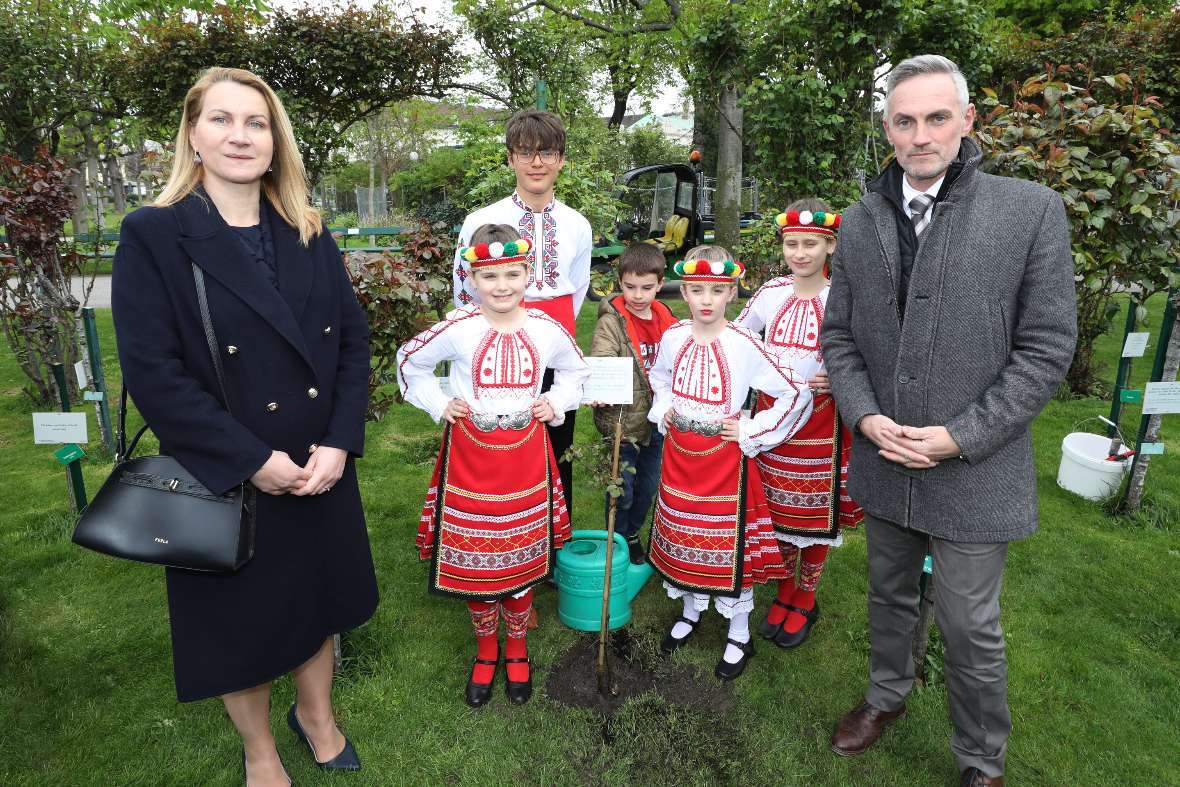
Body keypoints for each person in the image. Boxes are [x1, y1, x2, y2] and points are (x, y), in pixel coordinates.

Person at [111, 67, 378, 786]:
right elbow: (152, 373)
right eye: (222, 120)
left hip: (318, 464)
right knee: (242, 625)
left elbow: (352, 345)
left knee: (317, 604)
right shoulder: (155, 235)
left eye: (256, 122)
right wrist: (250, 456)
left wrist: (341, 439)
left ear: (274, 139)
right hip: (228, 471)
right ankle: (259, 749)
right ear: (193, 135)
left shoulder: (307, 230)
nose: (240, 135)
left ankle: (317, 717)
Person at [820, 55, 1076, 786]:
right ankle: (887, 694)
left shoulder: (1030, 211)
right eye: (905, 120)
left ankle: (980, 758)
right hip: (886, 455)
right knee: (889, 593)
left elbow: (1047, 345)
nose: (921, 135)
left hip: (975, 467)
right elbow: (840, 335)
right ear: (887, 129)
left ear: (967, 121)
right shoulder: (864, 220)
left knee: (969, 624)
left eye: (937, 118)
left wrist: (963, 434)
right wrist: (865, 417)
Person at [399, 223, 590, 708]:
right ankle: (487, 651)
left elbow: (576, 371)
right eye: (489, 276)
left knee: (521, 551)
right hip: (471, 457)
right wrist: (437, 403)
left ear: (528, 274)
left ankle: (519, 647)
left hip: (526, 456)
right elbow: (409, 362)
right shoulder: (459, 329)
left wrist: (556, 401)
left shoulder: (547, 330)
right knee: (479, 555)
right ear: (472, 279)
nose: (502, 285)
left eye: (512, 273)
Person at [646, 244, 814, 681]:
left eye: (716, 291)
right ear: (683, 290)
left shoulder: (744, 344)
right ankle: (690, 609)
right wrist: (663, 406)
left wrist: (752, 430)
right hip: (679, 458)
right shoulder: (674, 337)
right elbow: (660, 377)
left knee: (726, 543)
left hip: (724, 463)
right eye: (697, 289)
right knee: (684, 532)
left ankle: (739, 631)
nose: (706, 299)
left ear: (731, 293)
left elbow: (796, 392)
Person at [735, 200, 864, 650]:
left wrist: (842, 373)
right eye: (792, 244)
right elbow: (738, 337)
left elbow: (865, 351)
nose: (800, 253)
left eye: (811, 243)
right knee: (776, 509)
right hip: (773, 418)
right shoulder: (770, 293)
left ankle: (805, 594)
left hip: (821, 422)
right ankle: (785, 587)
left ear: (830, 245)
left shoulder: (842, 297)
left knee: (811, 512)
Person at [452, 110, 592, 514]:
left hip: (555, 349)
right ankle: (496, 534)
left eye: (547, 152)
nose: (537, 163)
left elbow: (578, 288)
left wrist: (549, 335)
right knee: (499, 446)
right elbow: (465, 288)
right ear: (510, 158)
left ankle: (551, 544)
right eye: (526, 152)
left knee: (557, 444)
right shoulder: (480, 221)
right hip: (498, 349)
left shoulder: (577, 224)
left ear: (561, 160)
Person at [588, 243, 677, 564]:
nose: (638, 295)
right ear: (619, 283)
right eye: (630, 287)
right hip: (622, 421)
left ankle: (631, 534)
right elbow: (602, 355)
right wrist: (598, 385)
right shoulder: (612, 321)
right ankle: (615, 539)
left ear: (660, 283)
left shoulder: (668, 319)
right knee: (621, 489)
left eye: (647, 287)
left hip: (656, 421)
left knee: (648, 486)